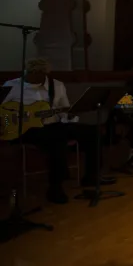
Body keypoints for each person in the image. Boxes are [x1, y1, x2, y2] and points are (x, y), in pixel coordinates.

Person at [2, 59, 115, 204]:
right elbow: (2, 113)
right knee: (57, 138)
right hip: (26, 130)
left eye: (40, 73)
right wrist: (9, 122)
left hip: (55, 125)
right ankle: (55, 187)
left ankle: (92, 176)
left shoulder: (56, 86)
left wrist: (69, 117)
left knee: (92, 132)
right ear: (25, 71)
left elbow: (64, 111)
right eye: (32, 73)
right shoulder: (12, 86)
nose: (36, 76)